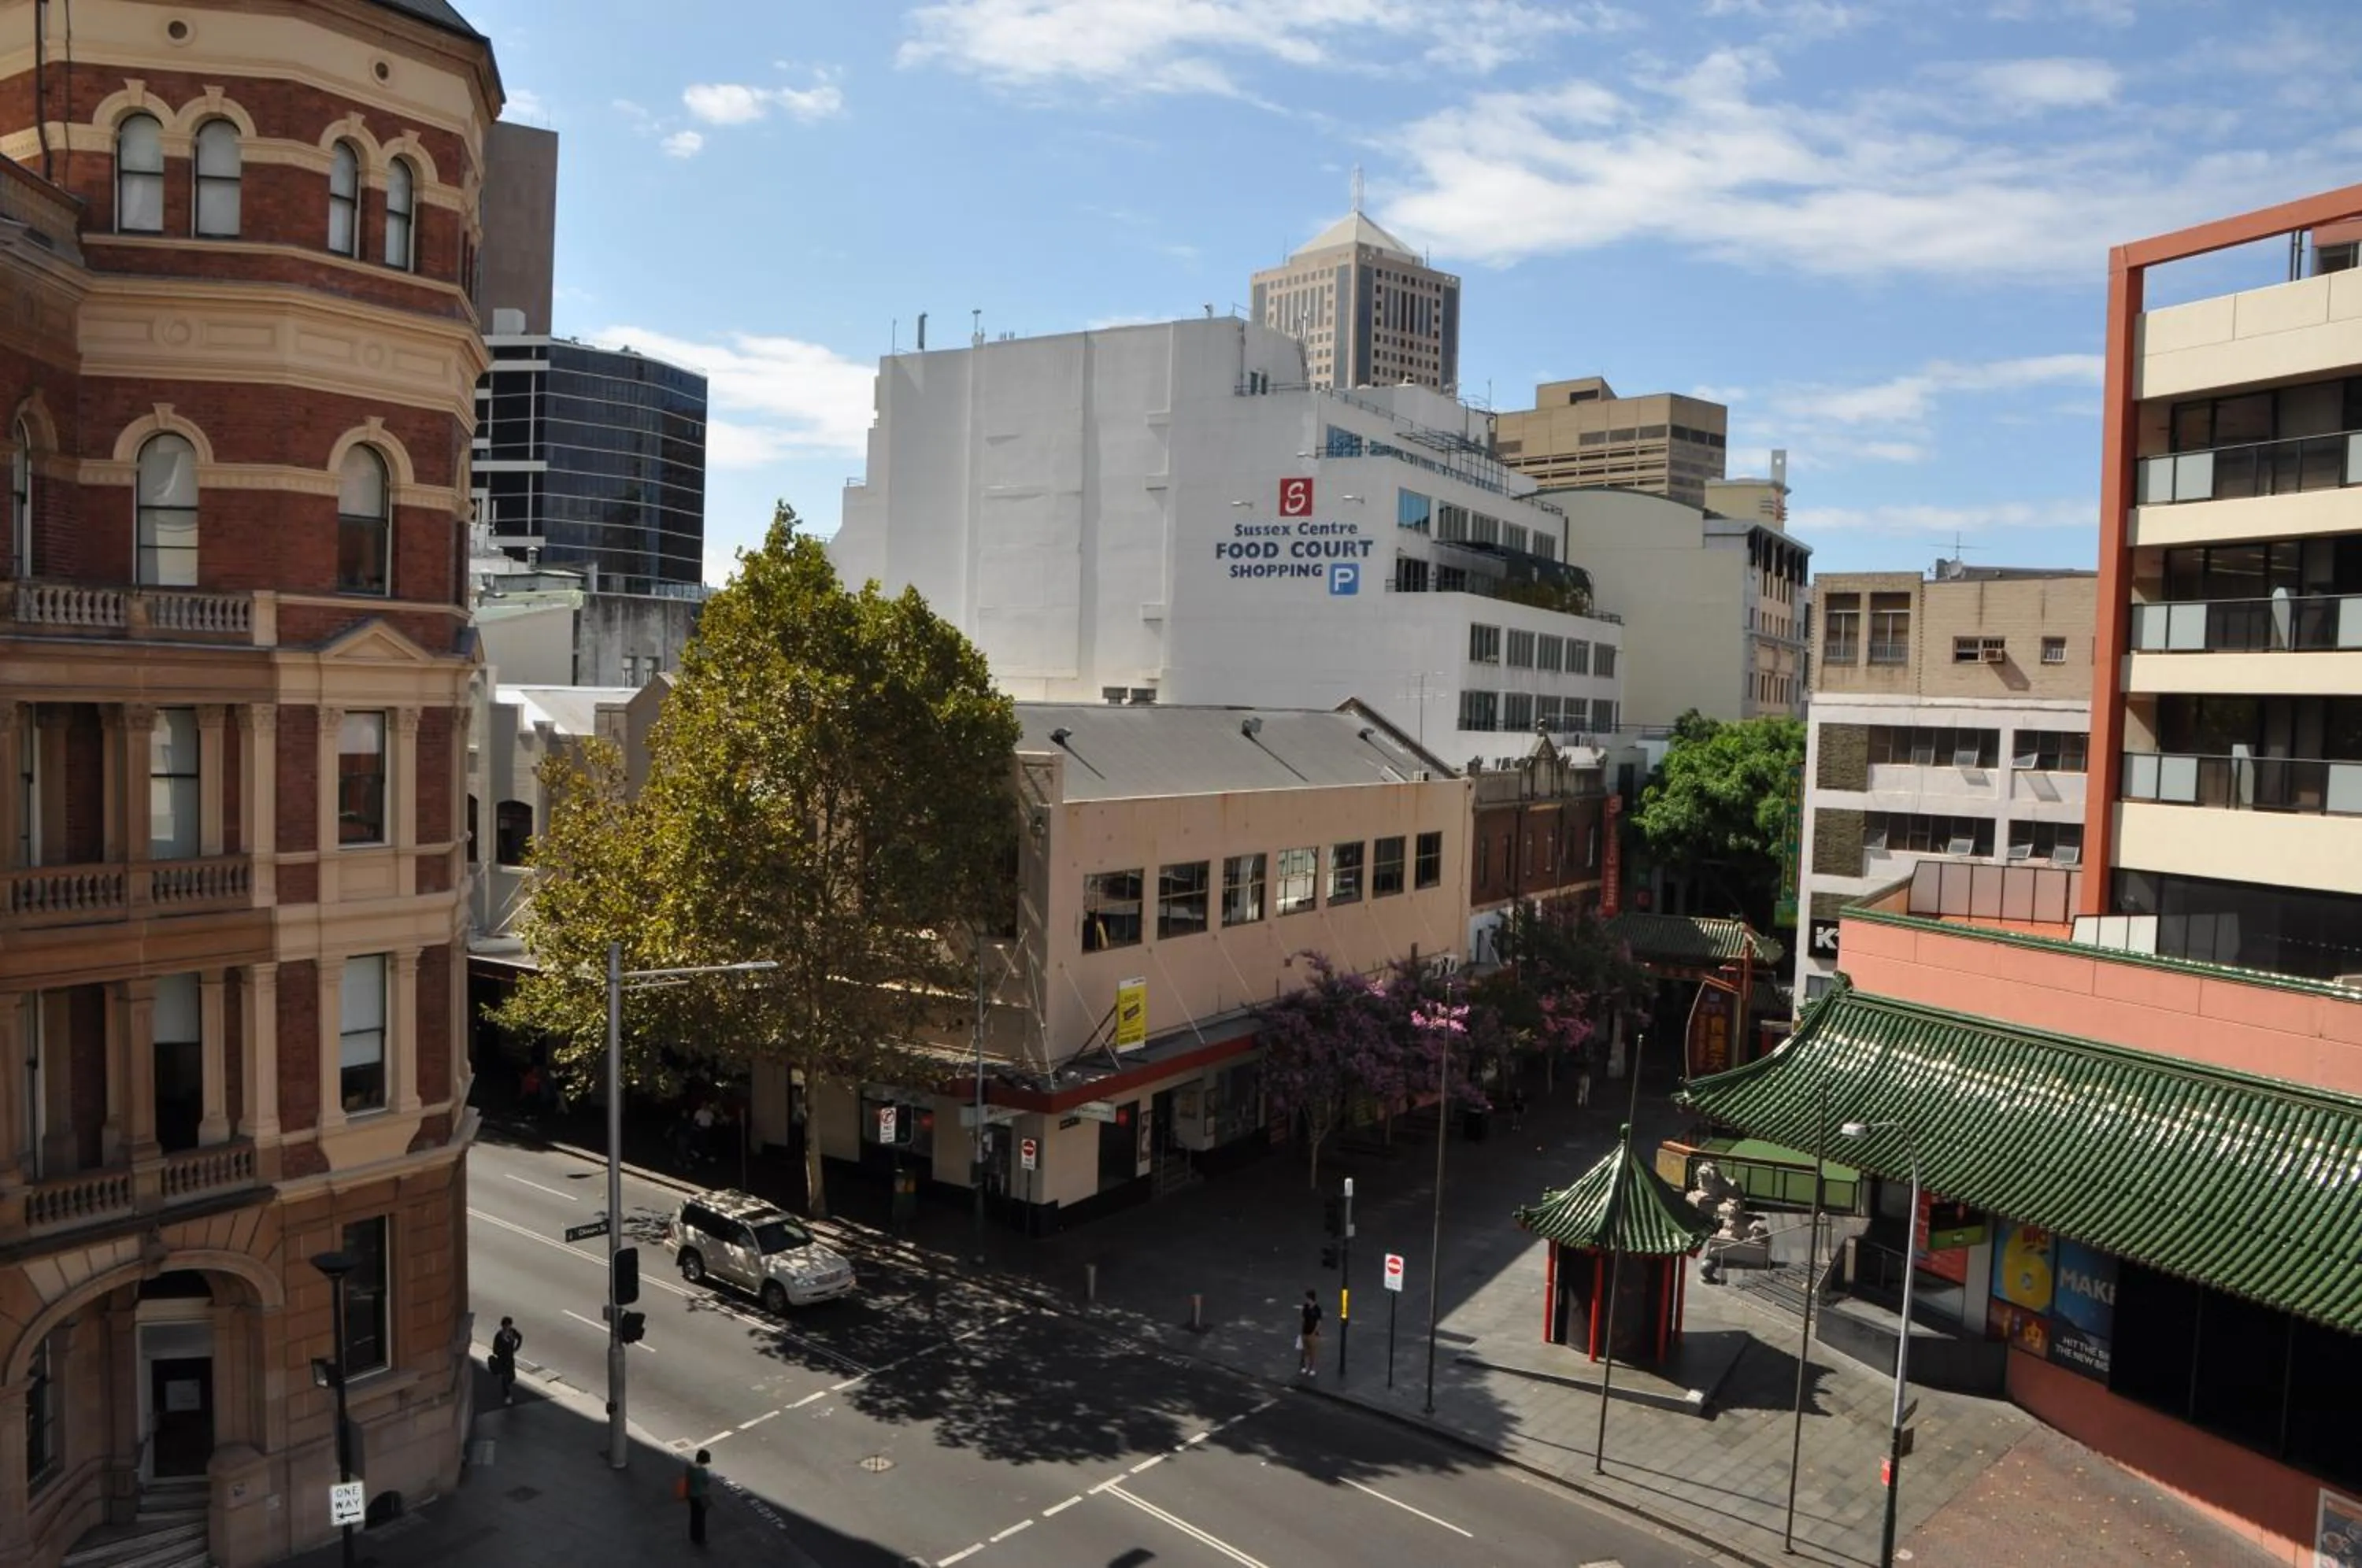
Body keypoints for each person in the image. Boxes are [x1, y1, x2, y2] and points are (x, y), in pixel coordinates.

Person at [682, 1448, 713, 1545]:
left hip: (691, 1495)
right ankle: (700, 1539)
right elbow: (706, 1482)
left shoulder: (689, 1467)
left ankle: (693, 1536)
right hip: (701, 1496)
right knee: (701, 1519)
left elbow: (687, 1479)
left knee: (694, 1517)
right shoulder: (702, 1471)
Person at [490, 1315, 523, 1406]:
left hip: (510, 1358)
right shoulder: (499, 1335)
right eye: (506, 1325)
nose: (507, 1327)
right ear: (503, 1326)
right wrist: (501, 1351)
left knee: (512, 1377)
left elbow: (520, 1337)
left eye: (509, 1325)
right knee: (505, 1377)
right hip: (502, 1359)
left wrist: (516, 1348)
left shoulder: (512, 1332)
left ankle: (506, 1385)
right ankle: (507, 1395)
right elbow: (495, 1349)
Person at [1297, 1289, 1323, 1378]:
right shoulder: (1306, 1307)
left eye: (1307, 1298)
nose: (1306, 1300)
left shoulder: (1317, 1309)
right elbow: (1303, 1319)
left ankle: (1312, 1368)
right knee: (1305, 1351)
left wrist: (1315, 1332)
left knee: (1312, 1352)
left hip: (1312, 1333)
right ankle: (1306, 1367)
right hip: (1305, 1332)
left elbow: (1319, 1322)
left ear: (1310, 1298)